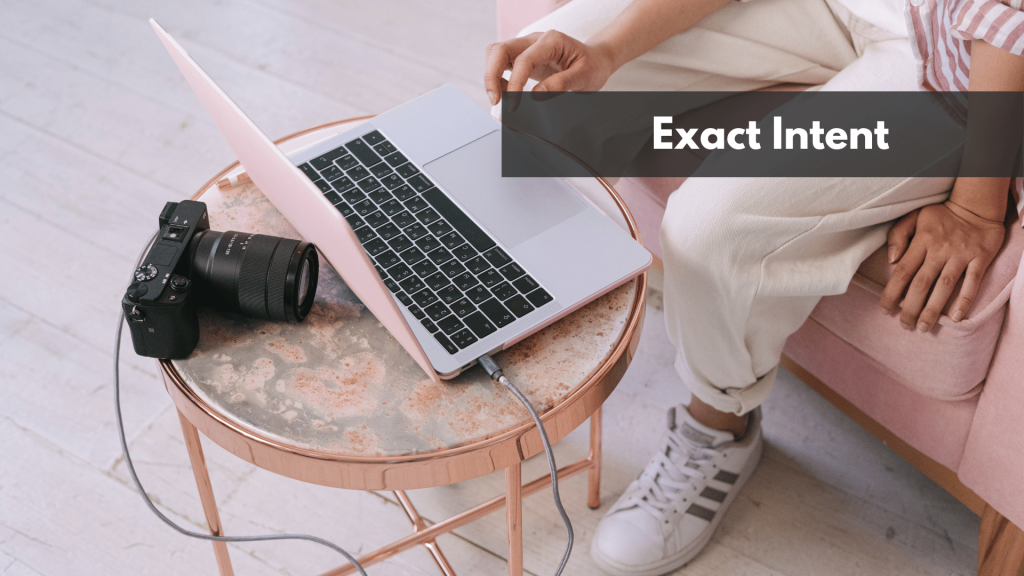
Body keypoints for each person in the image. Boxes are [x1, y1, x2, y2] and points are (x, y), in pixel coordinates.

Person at [484, 0, 1024, 574]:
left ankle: (717, 427)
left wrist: (975, 209)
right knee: (540, 83)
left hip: (955, 65)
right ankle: (521, 340)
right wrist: (609, 51)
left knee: (711, 230)